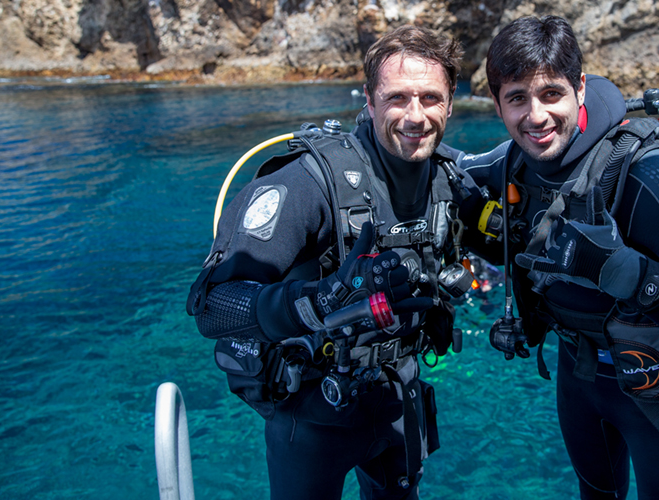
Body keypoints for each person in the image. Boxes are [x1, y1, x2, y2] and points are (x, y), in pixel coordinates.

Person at [460, 16, 659, 499]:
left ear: (580, 88)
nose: (536, 116)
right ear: (497, 103)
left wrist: (633, 276)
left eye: (551, 94)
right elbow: (446, 167)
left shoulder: (650, 173)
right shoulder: (515, 163)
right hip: (578, 378)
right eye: (517, 98)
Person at [186, 25, 479, 500]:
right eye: (397, 98)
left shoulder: (449, 180)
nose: (415, 116)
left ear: (450, 102)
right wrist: (319, 301)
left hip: (399, 397)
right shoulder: (309, 183)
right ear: (368, 99)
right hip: (314, 411)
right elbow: (211, 306)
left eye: (431, 98)